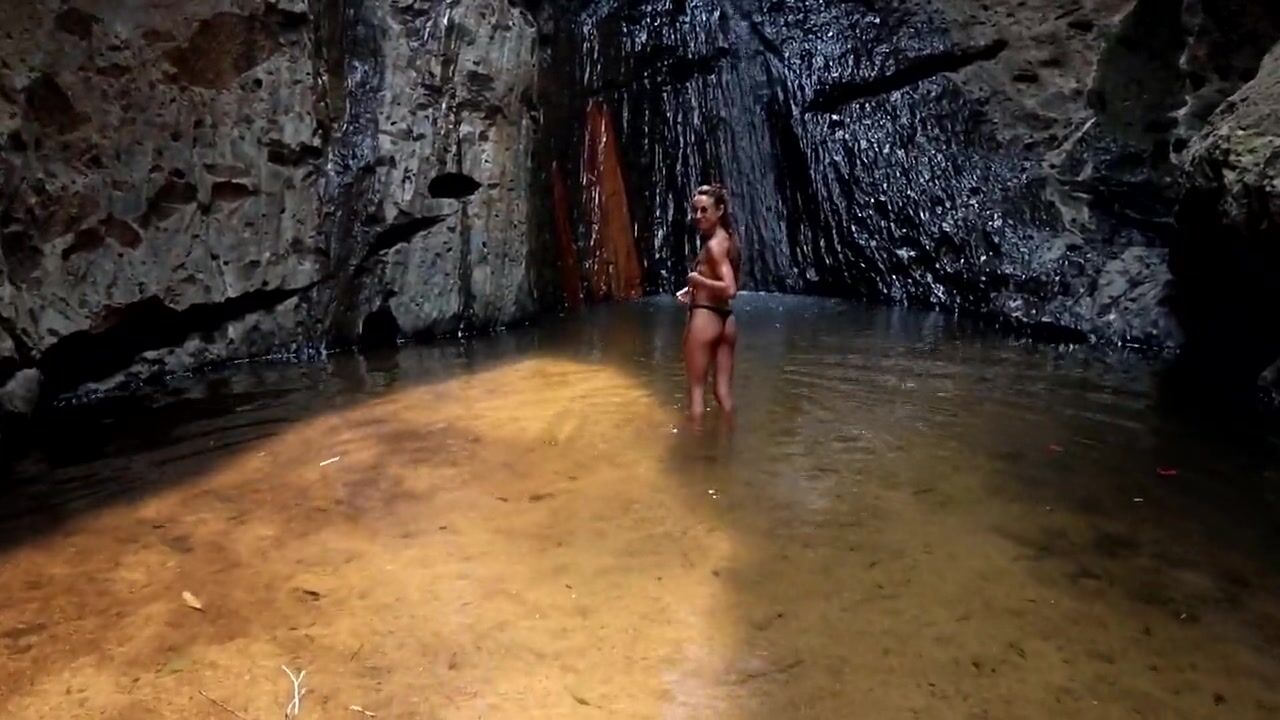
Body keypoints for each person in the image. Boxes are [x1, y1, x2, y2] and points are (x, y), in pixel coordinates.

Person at [677, 183, 742, 423]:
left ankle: (694, 445)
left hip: (706, 318)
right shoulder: (728, 239)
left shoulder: (714, 246)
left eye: (704, 210)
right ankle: (728, 440)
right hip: (726, 320)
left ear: (720, 210)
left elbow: (730, 289)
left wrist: (697, 280)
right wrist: (693, 288)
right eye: (695, 210)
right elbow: (722, 279)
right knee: (722, 393)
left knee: (696, 395)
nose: (698, 216)